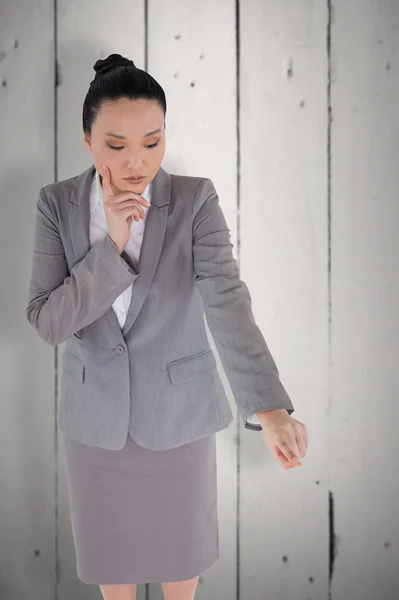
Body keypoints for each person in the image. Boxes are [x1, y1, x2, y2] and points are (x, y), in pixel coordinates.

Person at [26, 53, 308, 600]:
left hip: (180, 420)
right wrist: (109, 246)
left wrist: (269, 410)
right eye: (117, 145)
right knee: (116, 570)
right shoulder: (55, 205)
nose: (138, 161)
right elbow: (47, 321)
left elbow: (227, 300)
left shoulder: (194, 200)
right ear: (87, 139)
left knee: (181, 569)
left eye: (153, 142)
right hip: (96, 426)